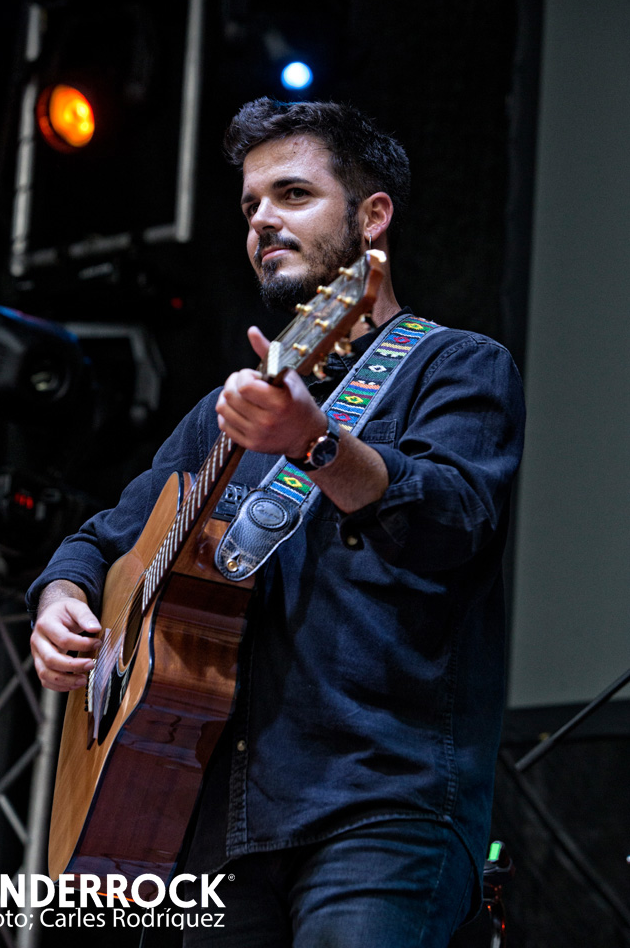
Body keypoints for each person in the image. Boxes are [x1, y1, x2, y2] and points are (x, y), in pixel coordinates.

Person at [28, 97, 525, 947]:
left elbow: (454, 521)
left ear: (372, 218)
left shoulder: (456, 366)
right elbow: (102, 538)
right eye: (250, 204)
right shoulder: (220, 416)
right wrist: (60, 599)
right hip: (214, 831)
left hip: (376, 808)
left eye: (292, 194)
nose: (261, 219)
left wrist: (316, 443)